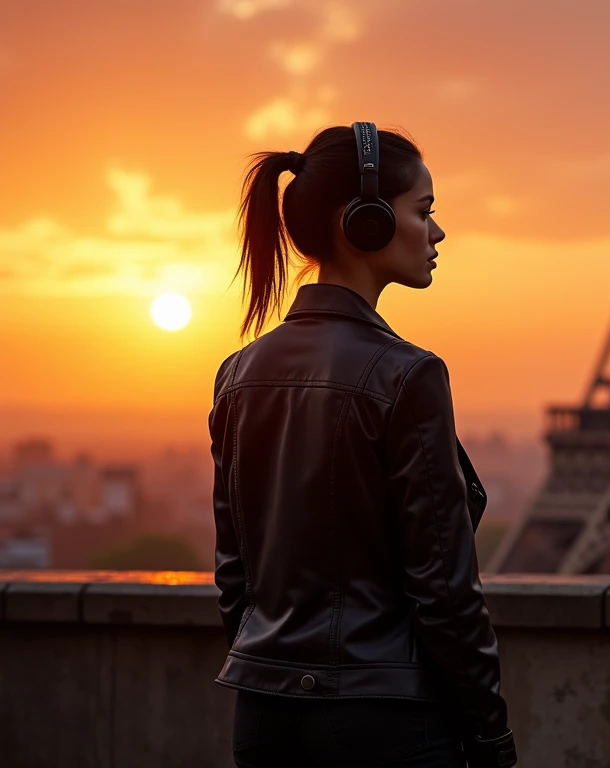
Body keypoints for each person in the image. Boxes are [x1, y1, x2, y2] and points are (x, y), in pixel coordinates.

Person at [209, 122, 517, 768]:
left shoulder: (237, 375)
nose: (436, 232)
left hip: (264, 717)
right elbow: (445, 590)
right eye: (424, 211)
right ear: (367, 222)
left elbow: (235, 575)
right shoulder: (408, 375)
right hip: (385, 722)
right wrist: (490, 737)